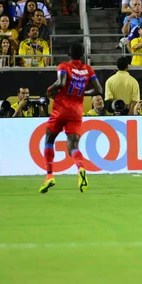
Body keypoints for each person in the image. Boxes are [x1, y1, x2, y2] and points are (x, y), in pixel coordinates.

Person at [39, 43, 103, 194]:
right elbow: (99, 90)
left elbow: (60, 83)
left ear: (68, 53)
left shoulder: (63, 66)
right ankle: (80, 168)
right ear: (82, 55)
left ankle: (49, 176)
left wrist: (49, 89)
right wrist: (81, 92)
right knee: (73, 146)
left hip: (61, 109)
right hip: (76, 111)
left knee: (49, 140)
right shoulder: (88, 69)